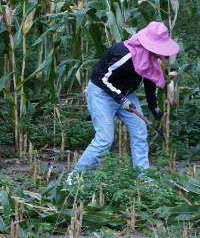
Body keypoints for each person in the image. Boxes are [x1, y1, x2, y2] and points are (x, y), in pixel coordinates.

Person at [68, 21, 179, 182]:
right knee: (104, 139)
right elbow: (101, 77)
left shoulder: (150, 58)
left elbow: (149, 81)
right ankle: (76, 178)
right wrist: (120, 99)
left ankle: (143, 180)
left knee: (141, 132)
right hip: (101, 92)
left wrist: (153, 105)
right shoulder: (124, 54)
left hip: (126, 95)